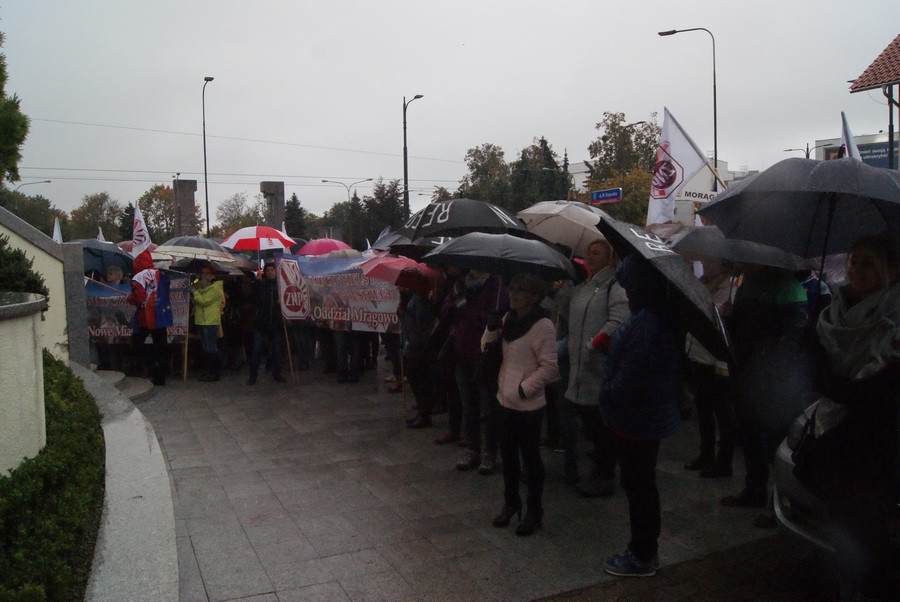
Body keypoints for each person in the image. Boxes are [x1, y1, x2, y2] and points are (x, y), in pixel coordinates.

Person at [807, 233, 898, 598]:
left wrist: (825, 380)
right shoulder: (832, 311)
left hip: (873, 445)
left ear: (891, 271)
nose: (858, 269)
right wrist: (809, 347)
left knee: (865, 536)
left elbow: (876, 393)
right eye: (855, 261)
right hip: (833, 435)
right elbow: (814, 374)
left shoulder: (894, 321)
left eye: (869, 263)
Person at [599, 255, 683, 578]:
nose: (627, 294)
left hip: (638, 421)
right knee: (640, 484)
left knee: (640, 487)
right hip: (643, 419)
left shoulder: (648, 325)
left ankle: (642, 554)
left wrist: (608, 390)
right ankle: (643, 548)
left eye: (630, 287)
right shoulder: (653, 316)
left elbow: (630, 381)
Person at [720, 262, 812, 526]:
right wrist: (729, 317)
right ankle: (755, 490)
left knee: (776, 442)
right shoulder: (749, 284)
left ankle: (779, 502)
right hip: (746, 371)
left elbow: (793, 337)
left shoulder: (789, 288)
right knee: (749, 434)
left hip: (774, 378)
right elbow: (742, 328)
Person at [483, 272, 558, 536]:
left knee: (531, 459)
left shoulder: (542, 325)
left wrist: (523, 390)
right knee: (508, 457)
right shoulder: (508, 318)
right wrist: (492, 329)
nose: (512, 294)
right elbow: (486, 347)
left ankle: (534, 510)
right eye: (512, 288)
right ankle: (511, 503)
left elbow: (550, 368)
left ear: (534, 296)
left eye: (519, 290)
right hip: (504, 401)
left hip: (528, 407)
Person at [561, 238, 629, 493]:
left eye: (597, 253)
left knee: (602, 425)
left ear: (610, 258)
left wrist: (595, 344)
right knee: (591, 424)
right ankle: (599, 467)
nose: (590, 257)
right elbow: (571, 316)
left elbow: (619, 321)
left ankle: (605, 476)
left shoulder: (615, 286)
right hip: (580, 370)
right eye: (589, 253)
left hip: (599, 368)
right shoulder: (585, 286)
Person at [441, 269, 508, 474]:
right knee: (468, 404)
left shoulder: (496, 286)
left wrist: (467, 307)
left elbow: (489, 320)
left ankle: (490, 453)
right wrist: (456, 300)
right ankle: (472, 450)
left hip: (484, 356)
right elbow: (446, 313)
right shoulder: (461, 285)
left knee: (488, 406)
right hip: (462, 353)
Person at [683, 258, 736, 478]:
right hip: (697, 352)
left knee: (722, 411)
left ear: (722, 264)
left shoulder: (731, 287)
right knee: (702, 408)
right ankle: (706, 454)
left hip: (716, 358)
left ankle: (724, 461)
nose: (705, 263)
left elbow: (720, 320)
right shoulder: (704, 283)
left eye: (710, 260)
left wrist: (727, 314)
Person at [125, 252, 172, 386]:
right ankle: (161, 375)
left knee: (137, 344)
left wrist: (129, 298)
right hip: (161, 315)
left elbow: (139, 298)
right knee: (161, 346)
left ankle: (148, 367)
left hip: (146, 316)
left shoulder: (138, 277)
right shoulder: (161, 274)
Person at [247, 262, 286, 385]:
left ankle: (277, 374)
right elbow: (252, 298)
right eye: (268, 270)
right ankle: (253, 375)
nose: (270, 272)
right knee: (257, 350)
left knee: (276, 350)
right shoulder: (260, 285)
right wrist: (256, 283)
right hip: (261, 323)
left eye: (272, 270)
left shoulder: (280, 286)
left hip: (276, 323)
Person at [192, 263, 225, 382]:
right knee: (206, 347)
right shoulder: (202, 285)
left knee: (211, 347)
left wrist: (195, 292)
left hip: (210, 321)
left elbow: (204, 301)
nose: (203, 275)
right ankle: (208, 371)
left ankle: (214, 372)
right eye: (202, 273)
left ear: (212, 275)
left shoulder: (216, 287)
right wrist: (196, 279)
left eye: (206, 273)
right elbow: (193, 284)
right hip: (201, 320)